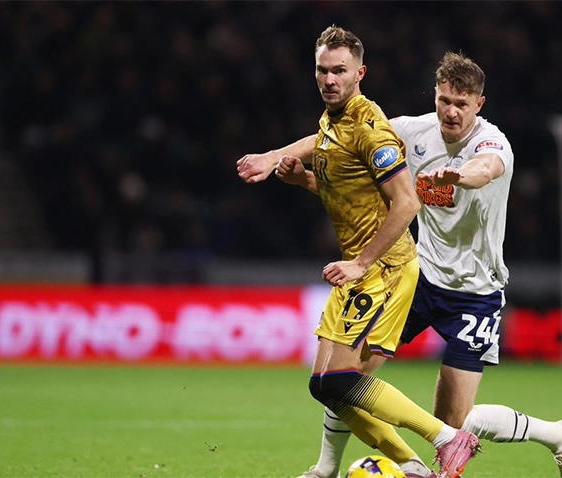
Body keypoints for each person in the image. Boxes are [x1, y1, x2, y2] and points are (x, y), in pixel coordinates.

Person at [238, 50, 562, 478]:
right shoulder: (413, 131)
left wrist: (458, 176)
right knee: (345, 380)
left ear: (479, 104)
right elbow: (331, 141)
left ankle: (558, 433)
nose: (451, 112)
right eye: (444, 101)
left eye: (462, 103)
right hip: (419, 276)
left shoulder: (492, 143)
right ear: (436, 97)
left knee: (453, 422)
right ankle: (328, 466)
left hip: (475, 293)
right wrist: (275, 156)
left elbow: (486, 168)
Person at [236, 26, 480, 478]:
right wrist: (296, 175)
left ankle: (446, 438)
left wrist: (362, 262)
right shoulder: (332, 121)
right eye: (322, 70)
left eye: (339, 71)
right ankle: (413, 468)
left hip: (383, 267)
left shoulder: (372, 130)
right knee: (324, 386)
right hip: (359, 268)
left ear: (359, 73)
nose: (329, 79)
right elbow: (347, 190)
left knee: (343, 382)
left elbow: (406, 203)